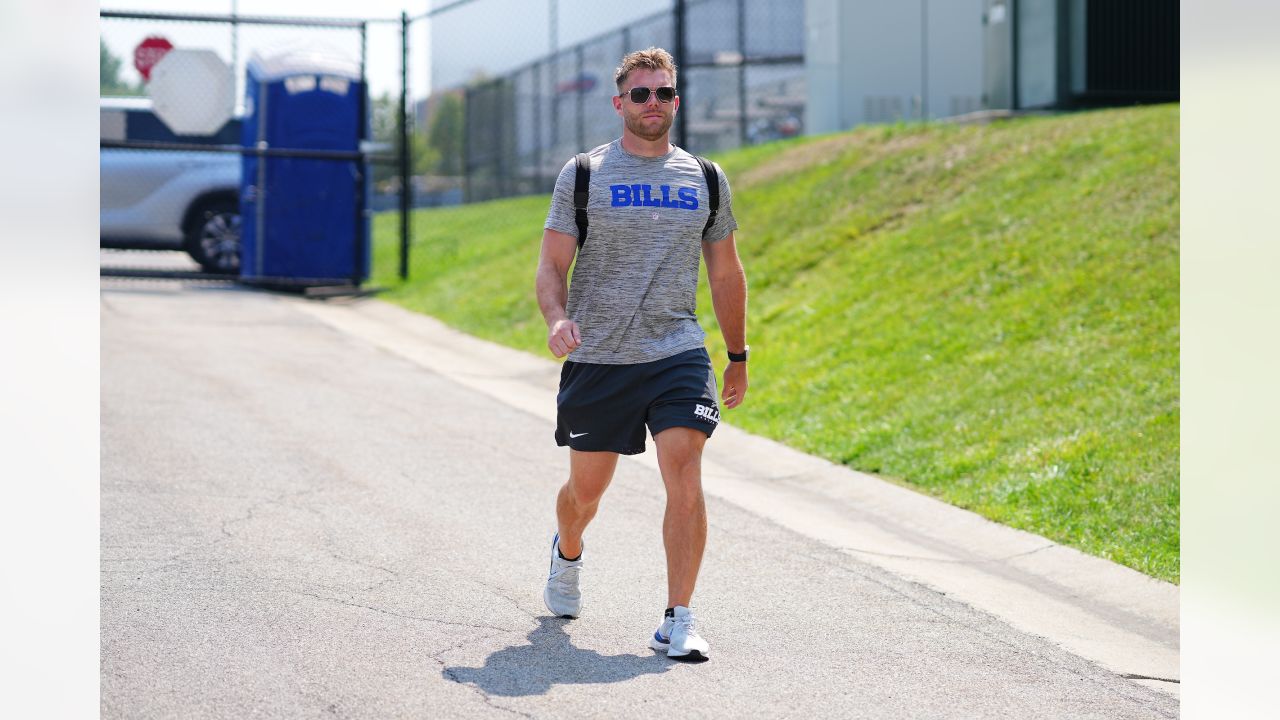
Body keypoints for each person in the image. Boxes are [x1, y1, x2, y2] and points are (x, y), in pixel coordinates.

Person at [534, 47, 749, 663]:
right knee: (585, 492)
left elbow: (727, 273)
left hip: (675, 348)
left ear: (676, 102)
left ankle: (678, 618)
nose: (652, 103)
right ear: (619, 103)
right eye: (640, 94)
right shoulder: (583, 174)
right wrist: (557, 318)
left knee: (684, 467)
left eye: (663, 93)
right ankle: (567, 551)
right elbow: (551, 266)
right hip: (599, 354)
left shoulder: (705, 178)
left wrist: (736, 353)